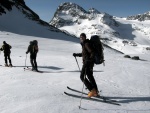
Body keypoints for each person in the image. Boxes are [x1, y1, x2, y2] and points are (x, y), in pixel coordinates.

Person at [73, 33, 99, 98]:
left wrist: (89, 60)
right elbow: (85, 54)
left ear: (85, 37)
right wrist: (77, 55)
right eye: (80, 37)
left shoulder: (86, 44)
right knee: (90, 77)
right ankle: (95, 91)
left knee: (82, 76)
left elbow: (92, 52)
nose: (81, 38)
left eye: (82, 37)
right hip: (89, 63)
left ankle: (92, 90)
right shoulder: (85, 44)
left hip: (87, 63)